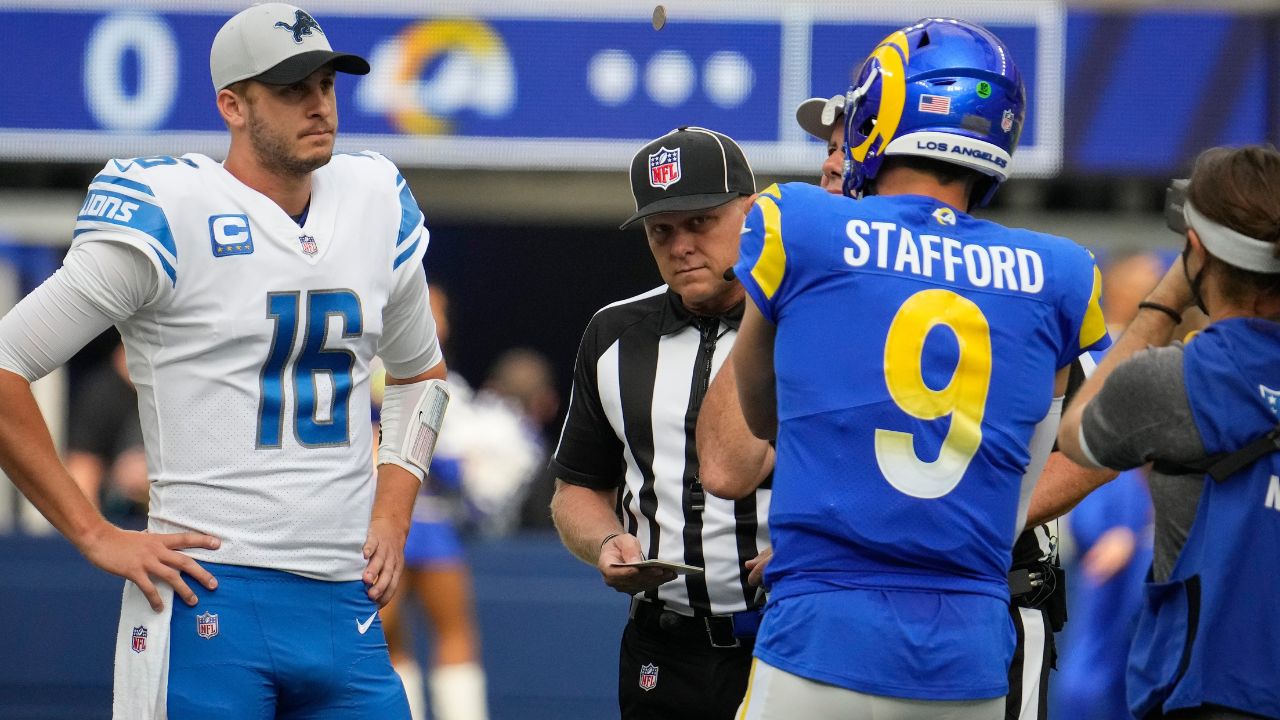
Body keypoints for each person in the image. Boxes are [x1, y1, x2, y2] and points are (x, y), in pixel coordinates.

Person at [0, 4, 448, 718]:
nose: (319, 104)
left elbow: (422, 377)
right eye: (293, 88)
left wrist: (393, 513)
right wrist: (94, 532)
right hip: (210, 596)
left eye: (327, 85)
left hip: (345, 605)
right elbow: (6, 366)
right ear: (232, 105)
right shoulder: (171, 208)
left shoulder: (373, 196)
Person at [729, 19, 1111, 718]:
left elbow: (757, 408)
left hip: (819, 633)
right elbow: (1036, 465)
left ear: (880, 112)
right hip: (967, 651)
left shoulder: (799, 222)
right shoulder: (1060, 273)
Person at [1049, 145, 1280, 719]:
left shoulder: (1180, 382)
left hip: (1211, 693)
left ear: (1195, 248)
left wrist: (1165, 299)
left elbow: (1080, 434)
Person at [549, 127, 772, 720]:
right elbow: (577, 487)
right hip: (663, 644)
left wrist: (823, 546)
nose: (680, 246)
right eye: (661, 230)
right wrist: (604, 542)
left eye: (700, 222)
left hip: (791, 636)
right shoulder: (613, 334)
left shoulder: (807, 320)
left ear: (751, 213)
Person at [65, 342, 149, 527]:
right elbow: (82, 470)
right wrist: (97, 534)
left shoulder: (200, 388)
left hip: (194, 522)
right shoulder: (102, 393)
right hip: (123, 523)